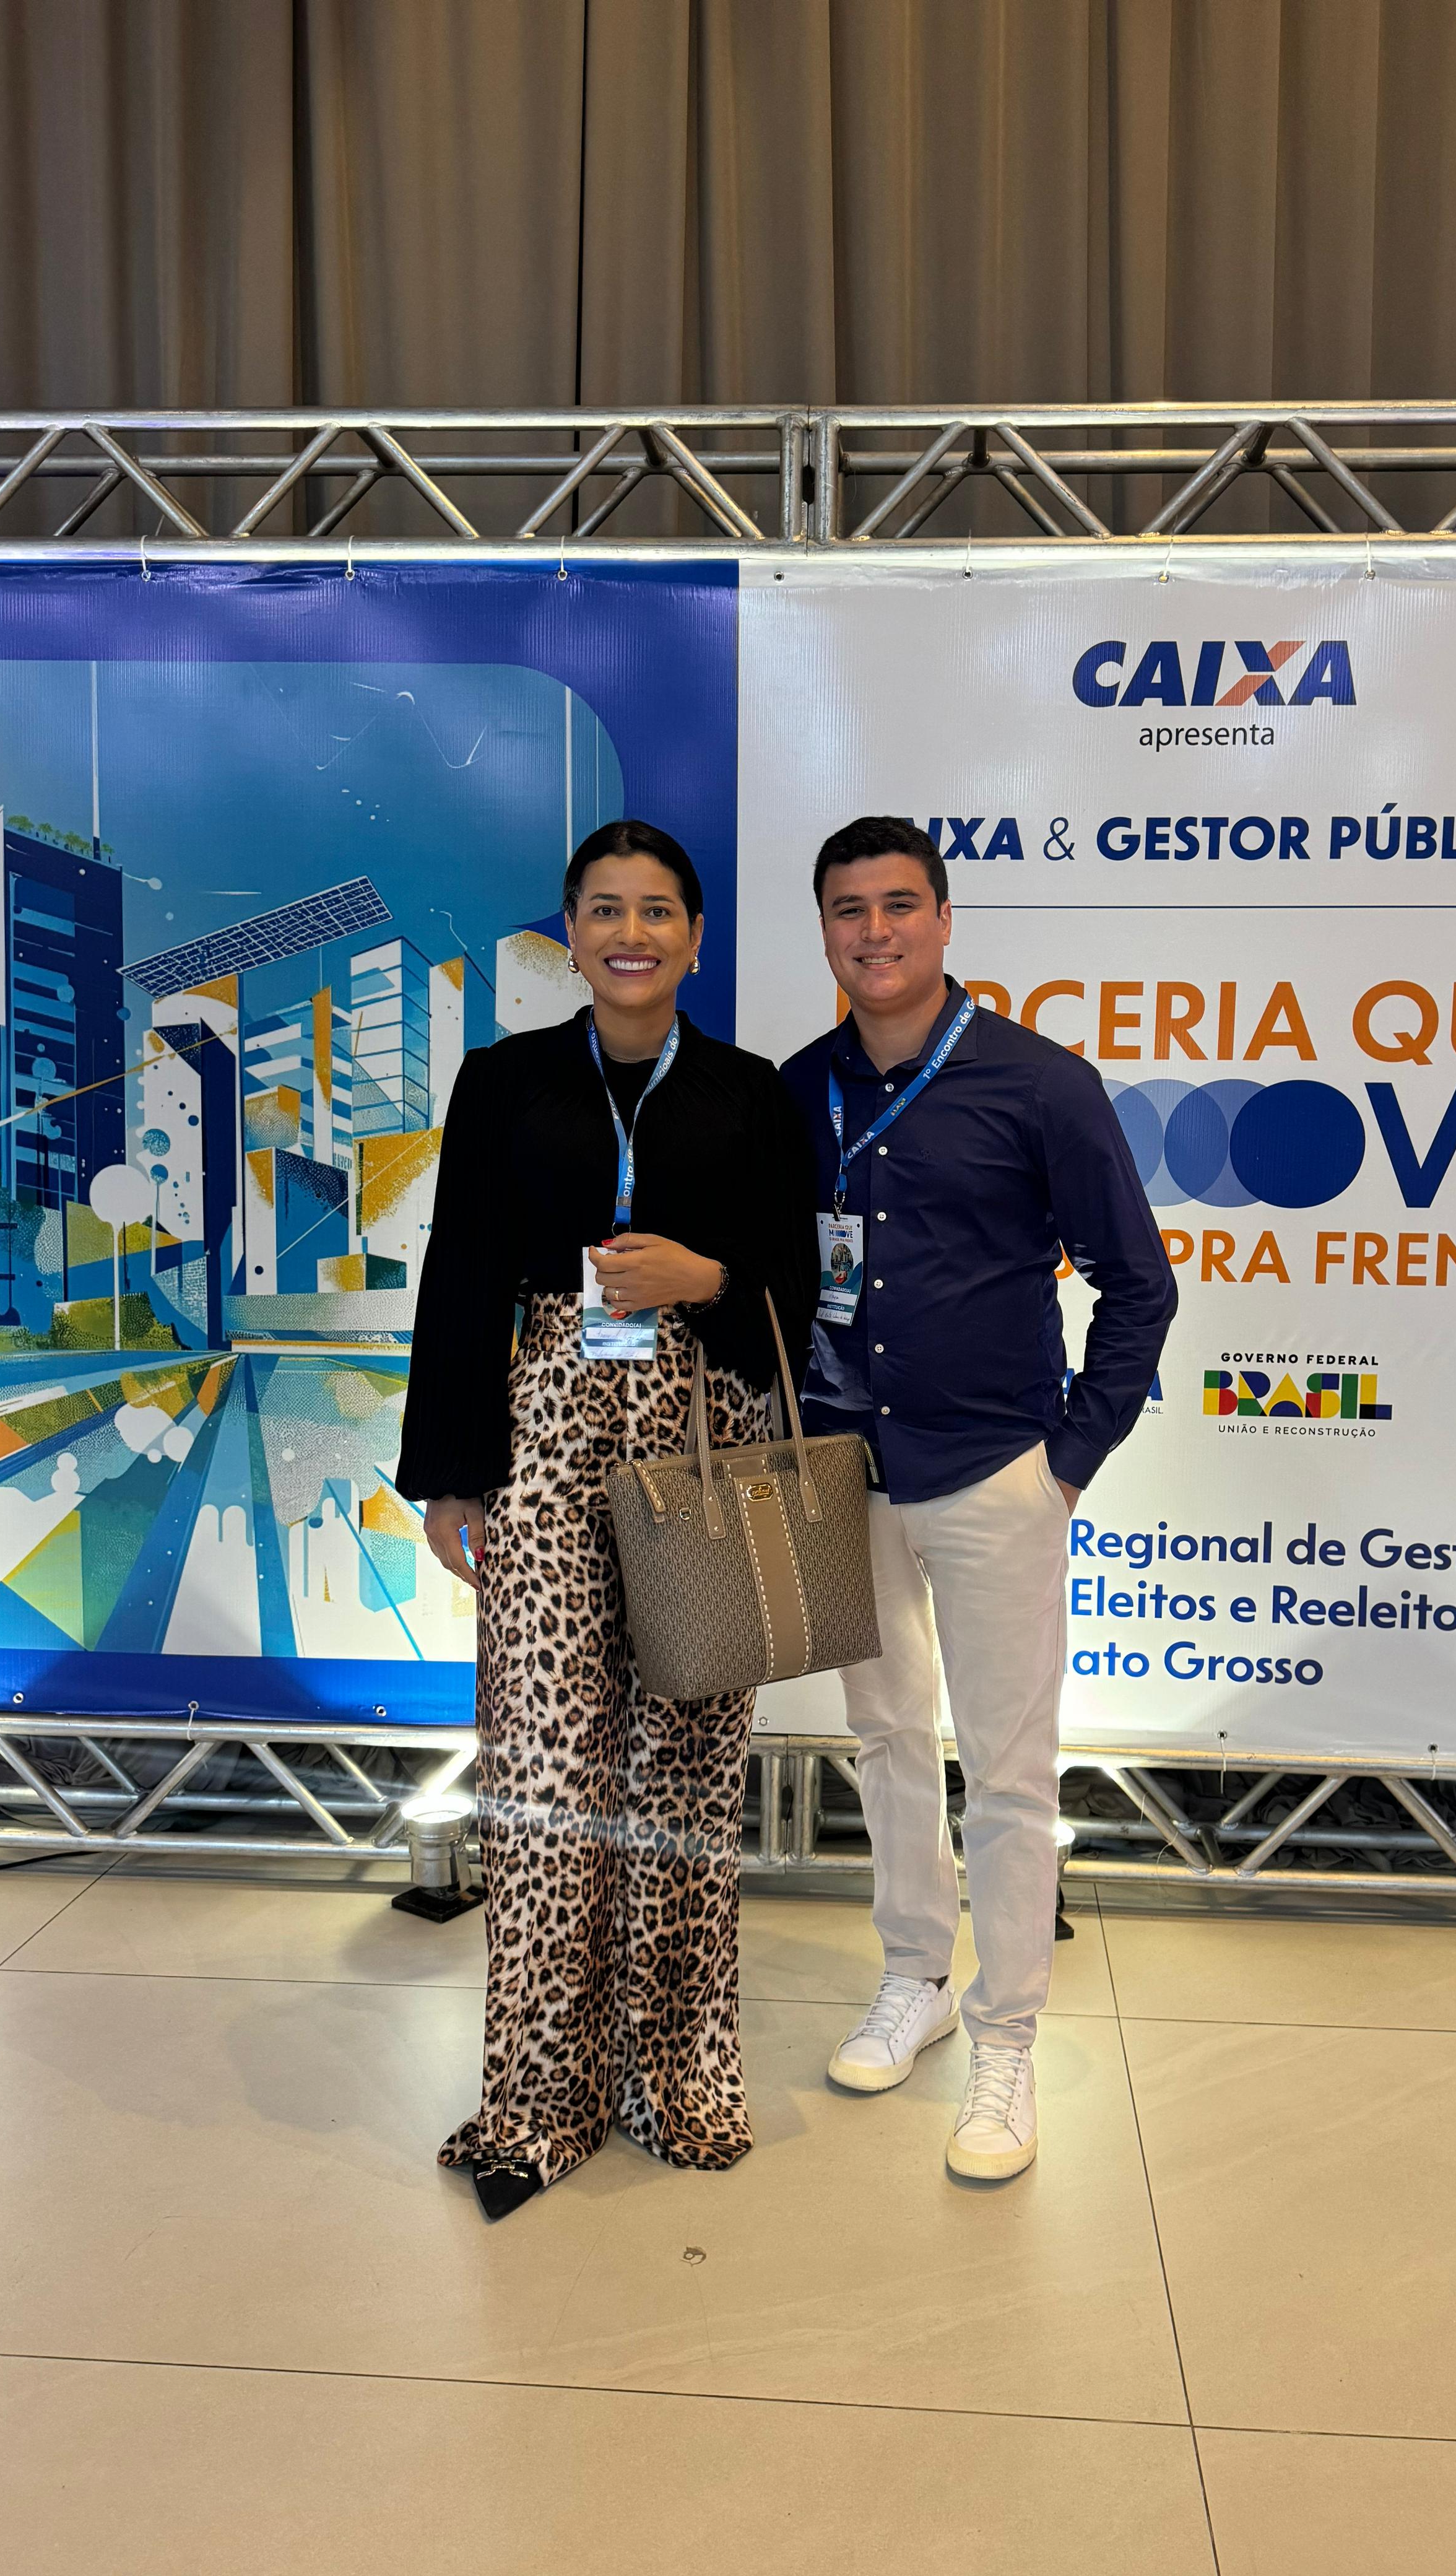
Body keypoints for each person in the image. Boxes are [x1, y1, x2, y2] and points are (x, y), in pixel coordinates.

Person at [397, 818, 817, 2221]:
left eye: (657, 911)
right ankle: (539, 2097)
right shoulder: (506, 1080)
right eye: (603, 910)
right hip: (545, 1432)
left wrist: (706, 1275)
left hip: (704, 1430)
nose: (631, 933)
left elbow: (797, 1281)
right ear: (570, 935)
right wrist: (452, 1474)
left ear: (695, 937)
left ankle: (675, 2081)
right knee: (543, 1767)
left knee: (688, 1761)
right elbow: (461, 1272)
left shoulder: (752, 1092)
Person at [782, 816, 1176, 2180]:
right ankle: (917, 1979)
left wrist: (1068, 1457)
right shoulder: (800, 1090)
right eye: (849, 910)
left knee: (1009, 1769)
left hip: (996, 1469)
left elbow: (1139, 1285)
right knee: (886, 1734)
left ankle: (1007, 2036)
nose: (875, 931)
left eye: (900, 905)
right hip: (846, 1468)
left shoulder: (1040, 1082)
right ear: (825, 932)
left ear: (945, 920)